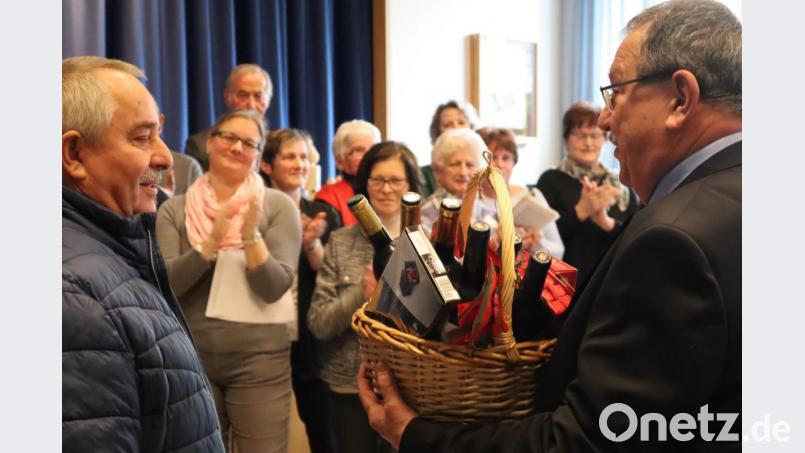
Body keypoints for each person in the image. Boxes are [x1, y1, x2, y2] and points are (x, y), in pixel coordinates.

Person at [358, 1, 742, 451]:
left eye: (617, 91)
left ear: (680, 99)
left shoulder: (673, 241)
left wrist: (415, 434)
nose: (604, 120)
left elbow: (587, 440)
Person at [62, 56, 224, 452]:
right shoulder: (75, 295)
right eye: (142, 137)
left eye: (160, 134)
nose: (166, 157)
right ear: (75, 155)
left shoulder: (107, 256)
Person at [157, 110, 301, 452]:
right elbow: (168, 285)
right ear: (210, 142)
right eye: (228, 137)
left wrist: (250, 237)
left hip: (261, 362)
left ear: (258, 154)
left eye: (249, 143)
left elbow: (275, 286)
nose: (237, 147)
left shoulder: (277, 206)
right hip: (192, 357)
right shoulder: (174, 210)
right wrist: (211, 243)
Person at [308, 142, 422, 453]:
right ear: (364, 185)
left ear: (411, 186)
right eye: (377, 180)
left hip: (414, 389)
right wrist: (363, 294)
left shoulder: (427, 244)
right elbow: (318, 325)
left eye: (395, 181)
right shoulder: (340, 242)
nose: (386, 189)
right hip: (349, 386)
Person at [259, 128, 341, 453]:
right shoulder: (254, 210)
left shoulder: (324, 212)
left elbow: (328, 275)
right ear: (267, 166)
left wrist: (311, 244)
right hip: (265, 330)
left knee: (322, 427)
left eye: (304, 157)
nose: (299, 163)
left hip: (310, 335)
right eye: (289, 156)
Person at [536, 103, 639, 282]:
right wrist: (581, 211)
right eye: (580, 136)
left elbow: (633, 240)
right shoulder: (550, 180)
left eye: (595, 136)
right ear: (566, 139)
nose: (589, 143)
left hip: (611, 282)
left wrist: (604, 221)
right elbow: (541, 240)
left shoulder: (621, 183)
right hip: (563, 284)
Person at [476, 126, 564, 258]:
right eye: (492, 158)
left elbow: (559, 251)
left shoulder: (532, 195)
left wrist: (537, 242)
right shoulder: (471, 200)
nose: (500, 164)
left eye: (506, 158)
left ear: (514, 162)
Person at [184, 64, 273, 170]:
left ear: (268, 100)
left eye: (258, 96)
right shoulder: (200, 145)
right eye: (242, 95)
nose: (251, 105)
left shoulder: (277, 145)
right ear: (227, 97)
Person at [314, 119, 381, 226]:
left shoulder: (390, 190)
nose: (370, 156)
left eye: (374, 149)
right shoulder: (329, 198)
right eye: (359, 150)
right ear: (339, 161)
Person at [420, 128, 484, 229]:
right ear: (438, 171)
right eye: (455, 164)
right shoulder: (426, 214)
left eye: (470, 165)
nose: (463, 172)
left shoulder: (489, 211)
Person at [421, 100, 479, 196]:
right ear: (437, 132)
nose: (456, 128)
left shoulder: (483, 169)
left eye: (461, 122)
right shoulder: (424, 174)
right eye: (447, 125)